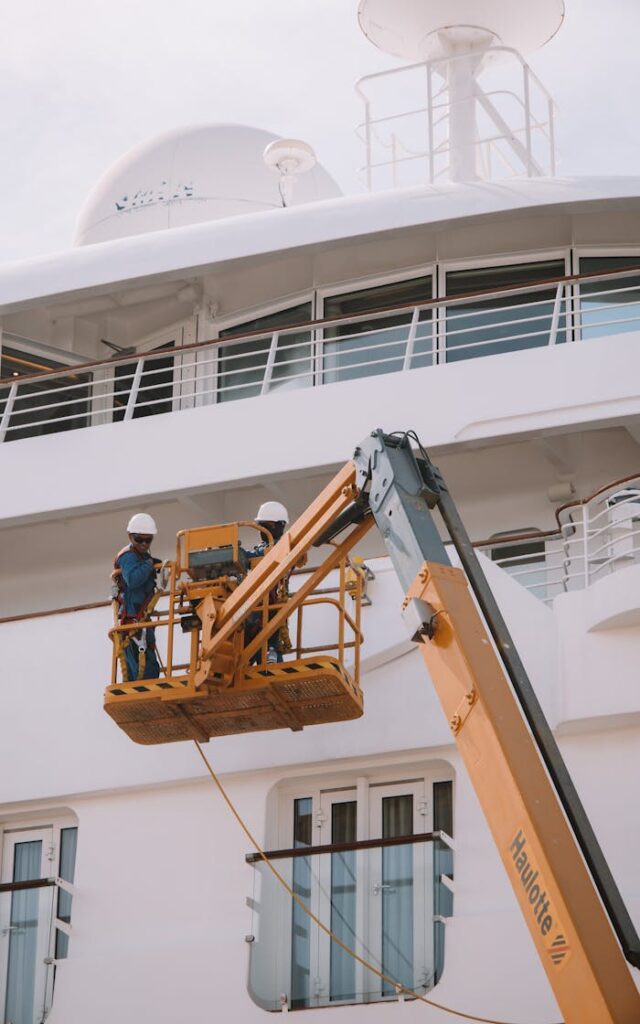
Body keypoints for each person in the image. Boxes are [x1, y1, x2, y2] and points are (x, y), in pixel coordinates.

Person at [113, 513, 162, 681]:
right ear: (130, 537)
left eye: (148, 540)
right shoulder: (127, 557)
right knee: (142, 669)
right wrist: (148, 566)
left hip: (142, 622)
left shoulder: (143, 557)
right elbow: (132, 580)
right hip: (132, 623)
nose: (143, 544)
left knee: (150, 667)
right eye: (139, 539)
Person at [245, 501, 291, 664]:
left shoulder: (279, 546)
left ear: (276, 526)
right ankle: (254, 657)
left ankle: (269, 655)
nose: (261, 531)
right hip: (262, 598)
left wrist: (241, 555)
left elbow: (260, 555)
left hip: (271, 596)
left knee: (266, 625)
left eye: (263, 526)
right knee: (256, 629)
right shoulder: (265, 545)